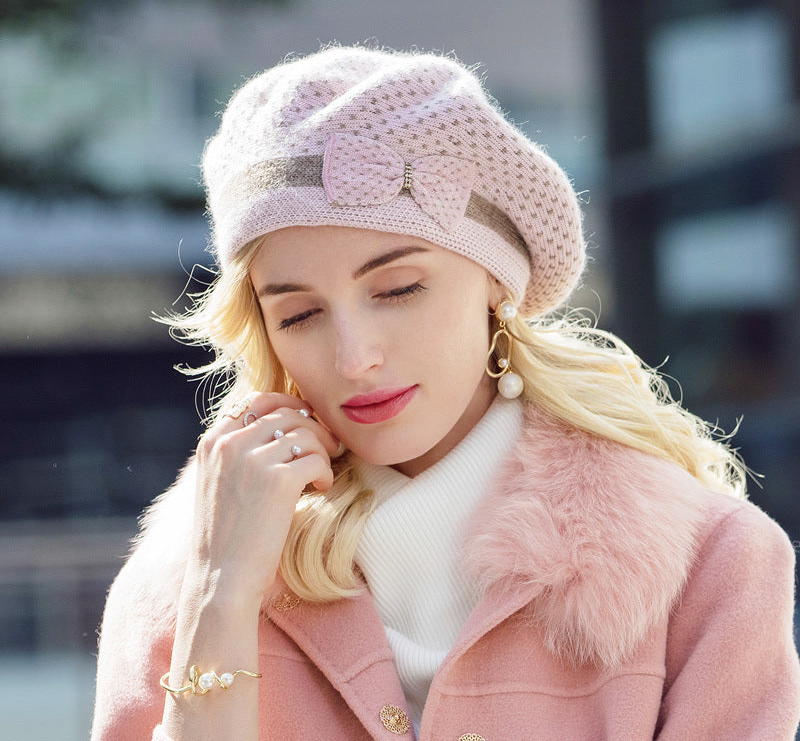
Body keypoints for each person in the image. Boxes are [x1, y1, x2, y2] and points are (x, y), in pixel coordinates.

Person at [90, 46, 800, 741]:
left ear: (498, 281)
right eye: (298, 314)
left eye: (398, 290)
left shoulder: (710, 567)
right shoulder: (182, 583)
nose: (354, 358)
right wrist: (221, 601)